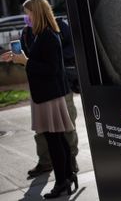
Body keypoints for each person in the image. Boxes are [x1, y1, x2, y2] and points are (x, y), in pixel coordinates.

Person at [1, 0, 78, 198]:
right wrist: (17, 58)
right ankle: (68, 176)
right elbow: (36, 62)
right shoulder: (42, 34)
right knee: (58, 139)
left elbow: (51, 69)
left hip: (50, 95)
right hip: (46, 94)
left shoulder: (48, 36)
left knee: (55, 141)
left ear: (37, 13)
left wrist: (25, 61)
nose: (27, 18)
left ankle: (62, 181)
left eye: (29, 14)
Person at [21, 15, 79, 177]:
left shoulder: (57, 27)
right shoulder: (26, 32)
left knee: (66, 125)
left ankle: (71, 160)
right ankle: (45, 162)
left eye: (29, 12)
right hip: (39, 88)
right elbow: (28, 57)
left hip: (60, 85)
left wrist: (54, 57)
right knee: (42, 128)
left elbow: (72, 47)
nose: (27, 17)